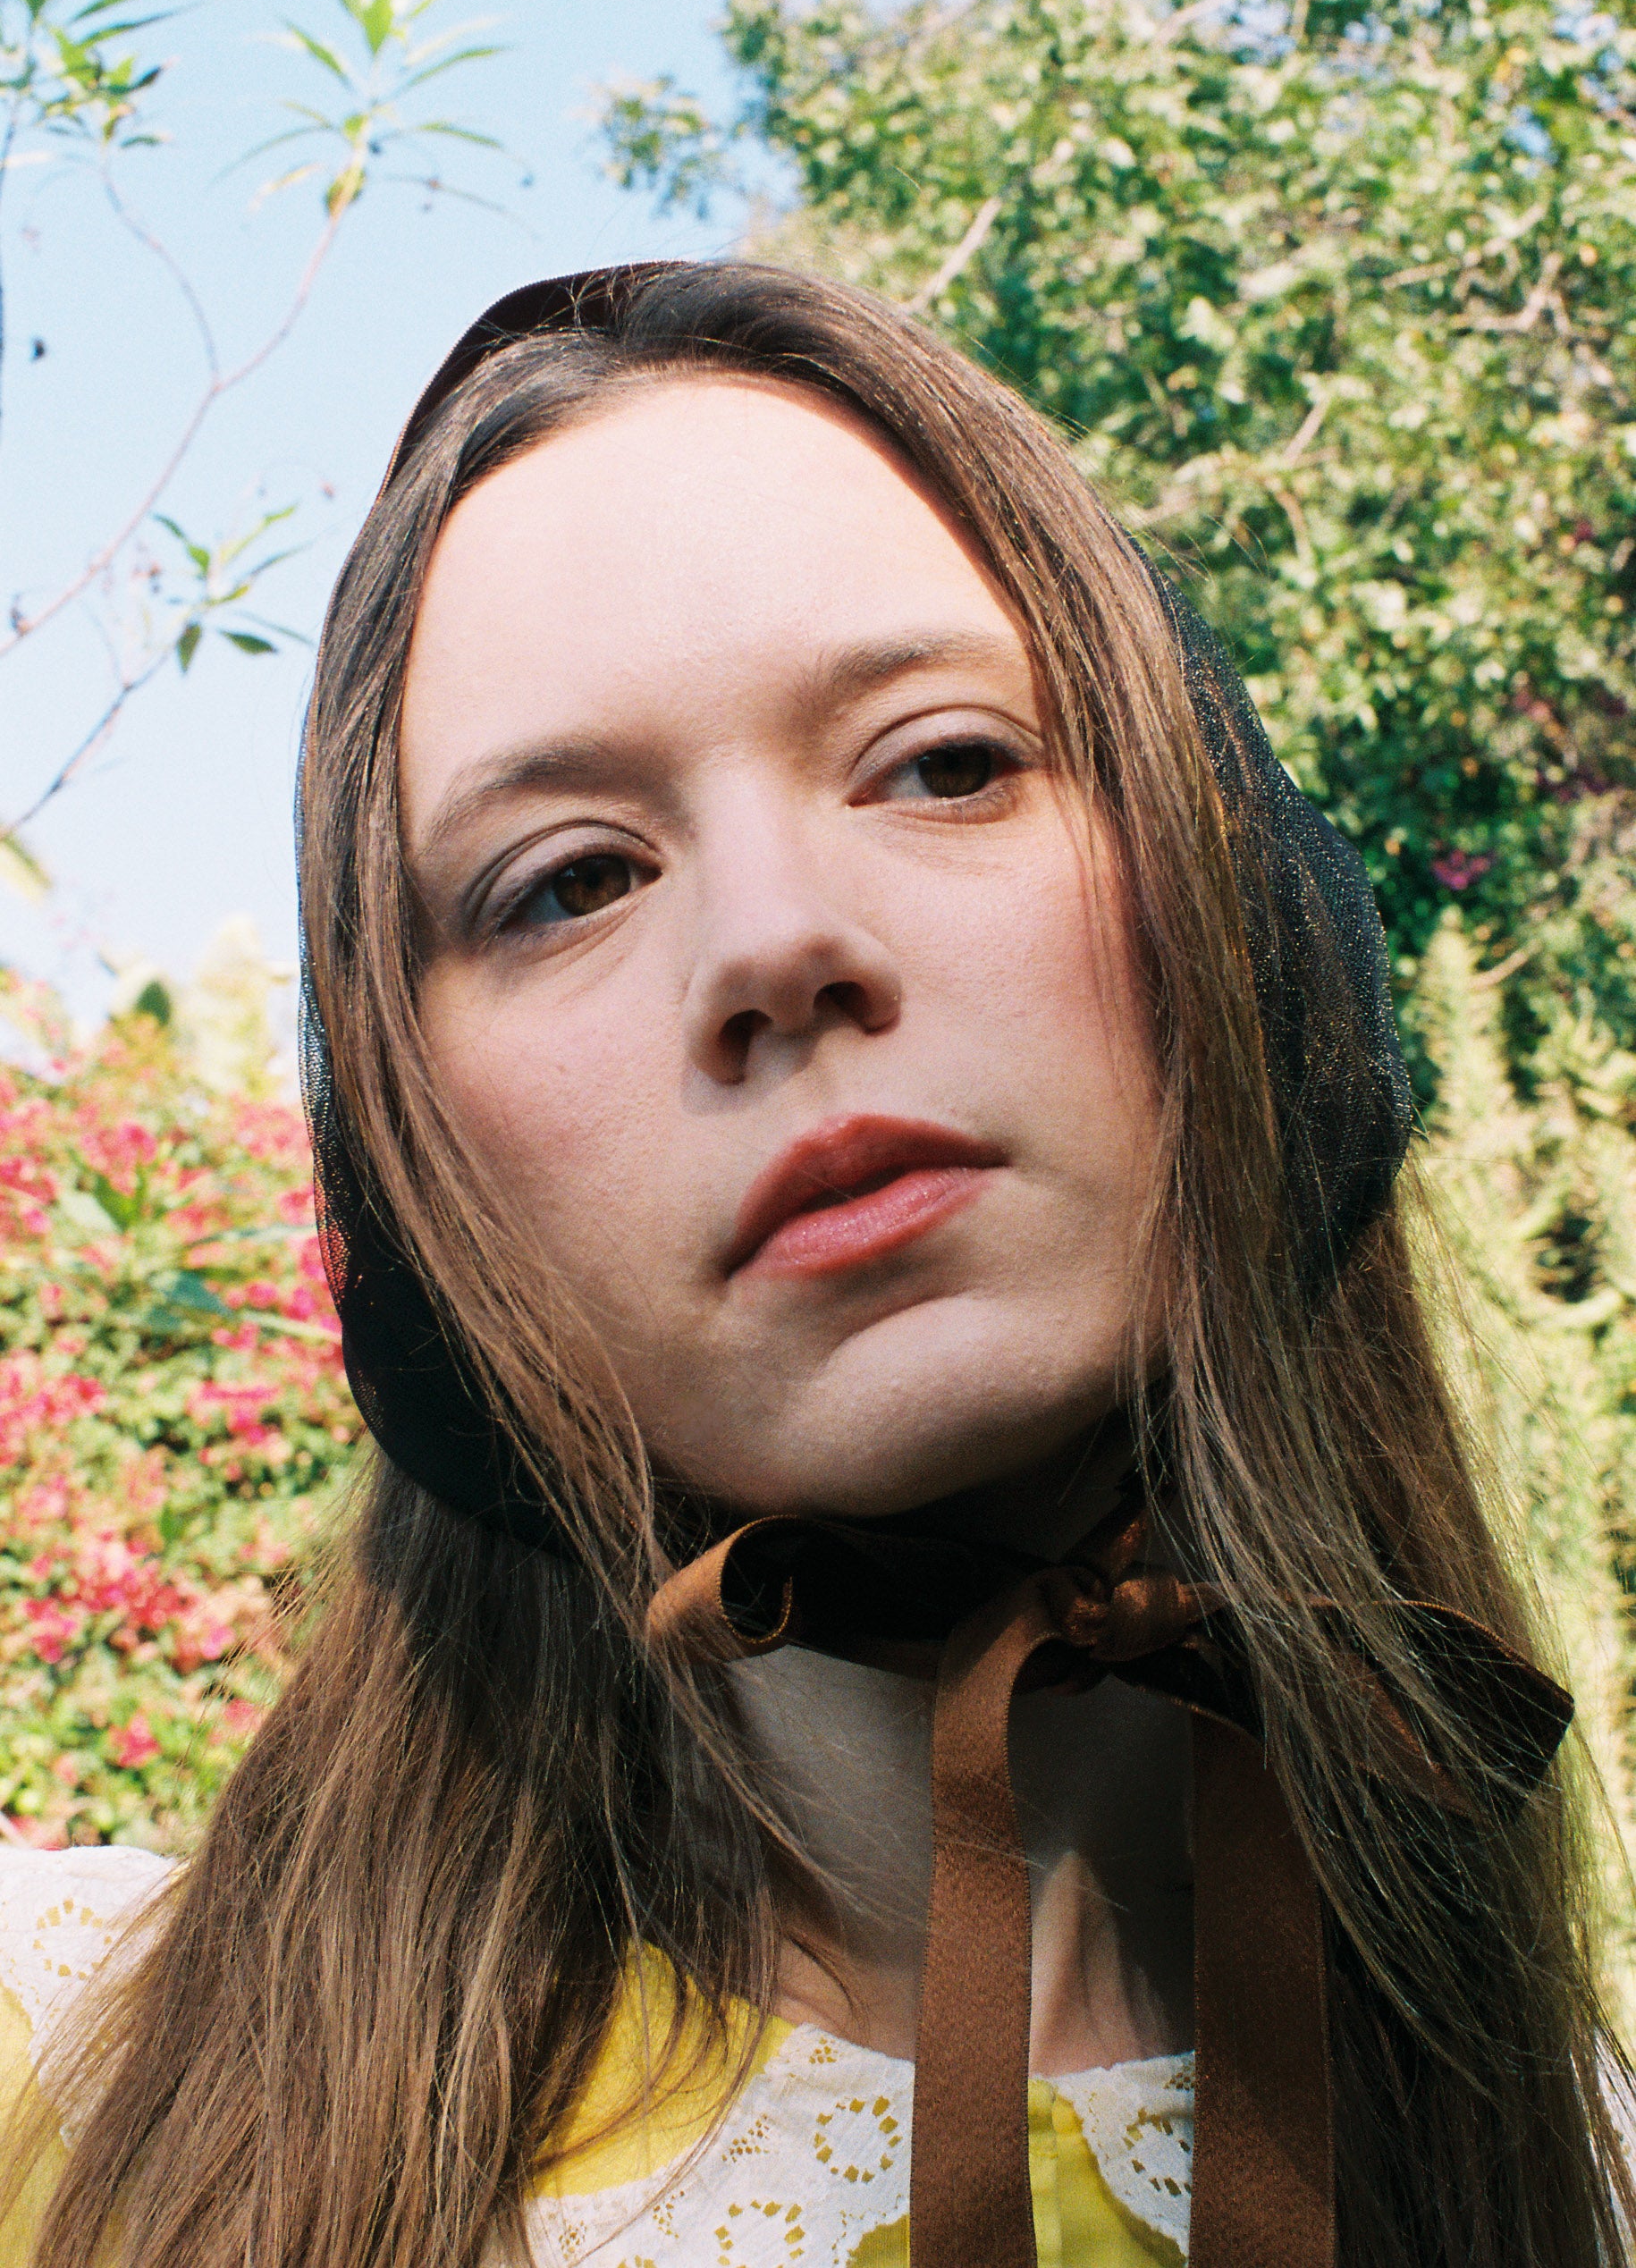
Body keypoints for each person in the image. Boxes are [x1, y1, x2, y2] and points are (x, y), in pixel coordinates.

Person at [0, 259, 1629, 2268]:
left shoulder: (1590, 2168)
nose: (775, 940)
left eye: (947, 760)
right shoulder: (72, 2071)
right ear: (422, 1178)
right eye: (568, 880)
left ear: (1229, 903)